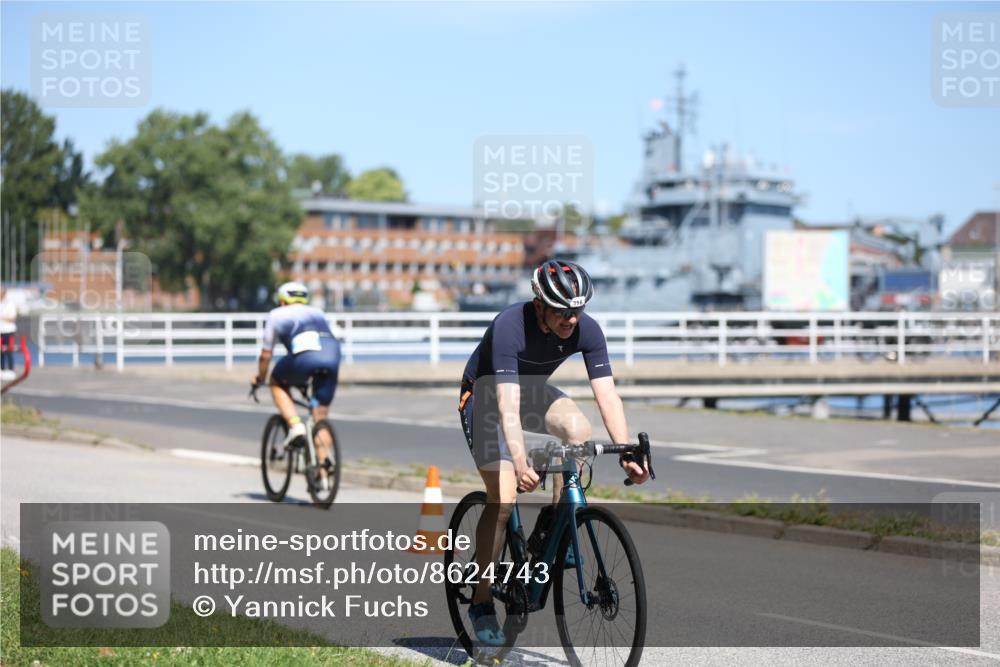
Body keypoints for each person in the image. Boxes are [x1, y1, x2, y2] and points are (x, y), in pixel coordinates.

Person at [458, 259, 650, 645]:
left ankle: (555, 526)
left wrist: (627, 448)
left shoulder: (587, 329)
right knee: (504, 499)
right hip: (485, 398)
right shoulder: (509, 326)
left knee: (578, 429)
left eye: (578, 310)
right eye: (562, 311)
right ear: (539, 302)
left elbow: (607, 395)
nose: (571, 319)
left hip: (527, 393)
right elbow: (506, 408)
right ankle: (480, 601)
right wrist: (518, 459)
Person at [251, 282, 341, 486]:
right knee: (320, 415)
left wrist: (260, 378)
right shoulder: (317, 312)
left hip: (305, 356)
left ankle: (295, 425)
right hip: (332, 355)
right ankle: (324, 472)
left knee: (277, 383)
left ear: (282, 301)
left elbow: (266, 355)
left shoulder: (276, 314)